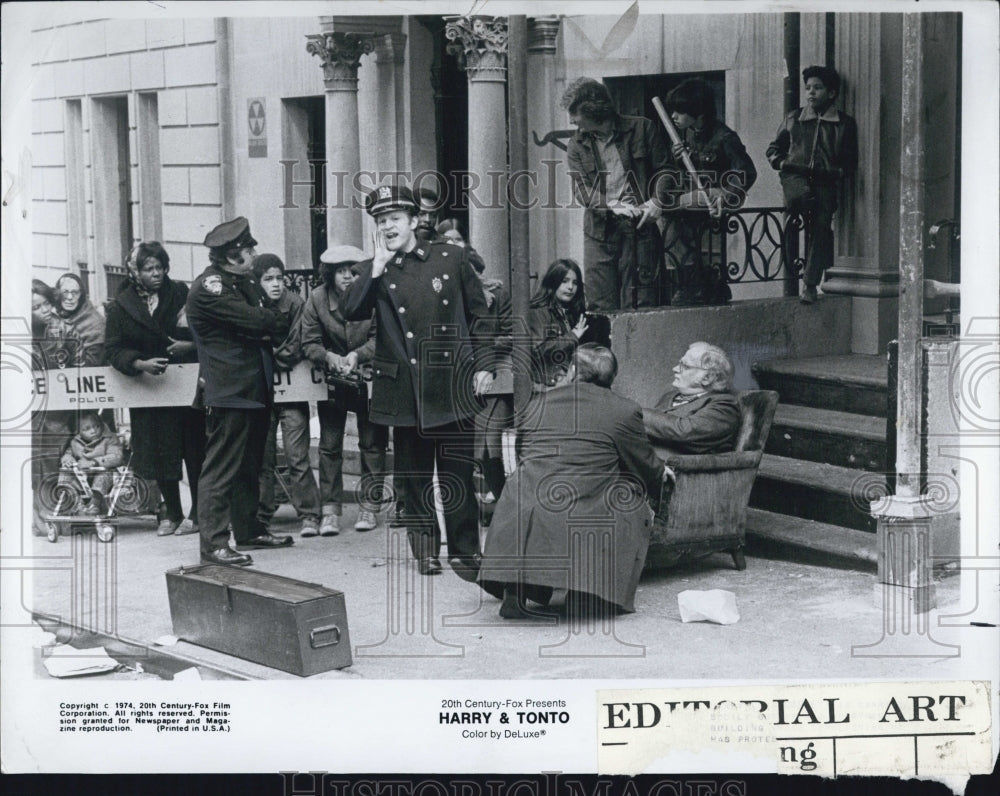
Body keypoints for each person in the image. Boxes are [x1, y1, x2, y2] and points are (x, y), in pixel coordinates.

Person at [342, 185, 491, 580]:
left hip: (453, 382)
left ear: (413, 221)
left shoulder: (451, 257)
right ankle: (425, 550)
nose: (387, 227)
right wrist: (375, 267)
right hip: (406, 388)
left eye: (394, 219)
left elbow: (480, 316)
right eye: (380, 221)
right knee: (415, 477)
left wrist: (484, 365)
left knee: (458, 473)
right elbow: (351, 311)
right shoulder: (372, 269)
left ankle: (465, 551)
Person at [478, 344, 666, 619]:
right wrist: (661, 474)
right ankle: (584, 591)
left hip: (528, 494)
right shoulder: (624, 410)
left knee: (528, 484)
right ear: (611, 378)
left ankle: (514, 592)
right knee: (627, 495)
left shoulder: (537, 403)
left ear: (574, 371)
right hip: (583, 498)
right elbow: (641, 461)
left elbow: (522, 452)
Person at [185, 217, 293, 567]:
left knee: (250, 464)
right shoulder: (210, 288)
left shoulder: (242, 282)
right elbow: (261, 320)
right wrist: (260, 321)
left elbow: (273, 321)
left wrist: (261, 321)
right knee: (221, 469)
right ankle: (214, 544)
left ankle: (249, 530)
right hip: (229, 390)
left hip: (253, 387)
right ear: (232, 255)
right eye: (248, 250)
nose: (254, 254)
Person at [104, 242, 205, 536]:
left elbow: (204, 333)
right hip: (148, 391)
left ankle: (198, 514)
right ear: (135, 272)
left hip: (183, 387)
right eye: (149, 269)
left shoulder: (181, 294)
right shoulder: (121, 306)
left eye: (160, 267)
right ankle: (171, 513)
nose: (156, 274)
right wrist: (139, 363)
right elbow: (113, 349)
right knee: (160, 452)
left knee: (194, 451)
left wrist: (189, 346)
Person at [299, 244, 388, 536]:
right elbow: (308, 341)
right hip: (333, 382)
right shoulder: (316, 299)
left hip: (370, 379)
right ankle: (330, 510)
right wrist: (328, 357)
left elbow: (382, 338)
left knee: (372, 444)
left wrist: (358, 356)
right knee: (329, 445)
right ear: (329, 275)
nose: (348, 277)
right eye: (341, 272)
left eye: (353, 271)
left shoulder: (374, 297)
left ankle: (370, 505)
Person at [562, 78, 672, 311]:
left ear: (594, 110)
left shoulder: (642, 128)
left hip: (640, 229)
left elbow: (666, 169)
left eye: (575, 113)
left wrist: (657, 201)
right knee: (600, 306)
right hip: (599, 233)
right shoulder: (576, 145)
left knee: (642, 303)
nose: (571, 120)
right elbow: (581, 190)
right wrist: (610, 204)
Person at [765, 65, 858, 304]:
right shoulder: (794, 118)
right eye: (808, 88)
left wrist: (835, 173)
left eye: (817, 88)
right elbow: (774, 149)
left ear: (832, 93)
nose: (811, 93)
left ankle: (810, 283)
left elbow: (850, 162)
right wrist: (783, 164)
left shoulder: (844, 123)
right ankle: (793, 257)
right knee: (800, 200)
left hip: (825, 181)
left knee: (821, 226)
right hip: (795, 176)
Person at [663, 78, 757, 306]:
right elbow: (688, 174)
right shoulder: (690, 135)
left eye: (679, 111)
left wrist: (725, 194)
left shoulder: (725, 137)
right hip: (697, 202)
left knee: (670, 209)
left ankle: (694, 282)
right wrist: (679, 160)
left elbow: (746, 171)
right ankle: (696, 282)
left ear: (698, 112)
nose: (673, 117)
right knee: (673, 220)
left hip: (717, 199)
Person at [252, 253, 323, 537]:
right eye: (269, 279)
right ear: (258, 282)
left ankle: (309, 514)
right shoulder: (250, 305)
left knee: (298, 456)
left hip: (292, 392)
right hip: (261, 394)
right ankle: (262, 514)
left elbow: (297, 343)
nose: (277, 284)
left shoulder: (296, 304)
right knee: (262, 458)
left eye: (280, 278)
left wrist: (270, 358)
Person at [642, 342, 741, 455]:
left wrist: (633, 412)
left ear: (707, 377)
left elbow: (684, 431)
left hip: (678, 467)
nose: (675, 369)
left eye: (685, 366)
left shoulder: (724, 406)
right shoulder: (669, 396)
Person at [526, 258, 588, 389]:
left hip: (566, 382)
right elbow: (538, 349)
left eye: (575, 283)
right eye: (564, 281)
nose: (570, 287)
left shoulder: (569, 311)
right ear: (552, 282)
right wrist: (573, 336)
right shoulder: (539, 311)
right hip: (545, 386)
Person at [58, 411, 124, 516]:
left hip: (105, 475)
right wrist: (68, 460)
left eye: (97, 426)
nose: (93, 431)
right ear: (78, 431)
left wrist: (95, 462)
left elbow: (116, 456)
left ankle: (95, 503)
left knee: (103, 475)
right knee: (66, 474)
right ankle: (77, 503)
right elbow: (68, 453)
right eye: (86, 429)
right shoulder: (75, 442)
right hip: (83, 477)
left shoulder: (109, 438)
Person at [49, 272, 105, 367]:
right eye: (65, 292)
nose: (70, 297)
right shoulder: (53, 315)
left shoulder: (95, 321)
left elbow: (93, 363)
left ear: (81, 295)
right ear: (58, 294)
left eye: (75, 292)